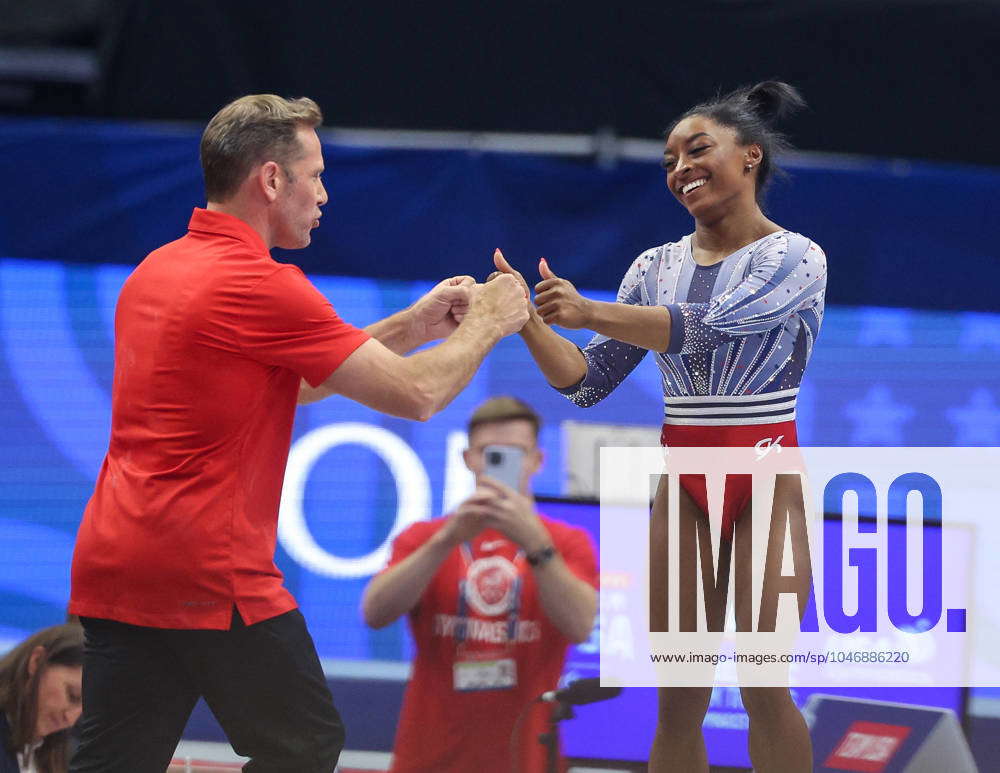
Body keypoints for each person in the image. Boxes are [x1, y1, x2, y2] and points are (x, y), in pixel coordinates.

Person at [67, 94, 529, 773]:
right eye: (314, 173)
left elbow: (294, 376)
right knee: (306, 745)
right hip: (208, 566)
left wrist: (409, 326)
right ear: (271, 180)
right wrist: (491, 320)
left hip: (116, 559)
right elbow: (419, 394)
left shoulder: (155, 270)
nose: (324, 193)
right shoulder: (261, 283)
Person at [493, 82, 826, 773]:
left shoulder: (796, 257)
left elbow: (705, 331)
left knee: (766, 685)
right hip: (684, 491)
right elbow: (586, 382)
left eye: (697, 149)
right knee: (676, 701)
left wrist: (587, 311)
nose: (680, 167)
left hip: (767, 482)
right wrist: (523, 319)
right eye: (670, 158)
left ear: (751, 157)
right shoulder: (655, 267)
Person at [362, 396, 598, 773]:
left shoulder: (566, 542)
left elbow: (580, 625)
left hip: (527, 758)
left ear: (537, 461)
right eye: (491, 453)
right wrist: (445, 540)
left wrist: (537, 546)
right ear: (468, 458)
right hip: (427, 757)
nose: (503, 464)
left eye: (515, 454)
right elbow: (375, 613)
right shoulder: (425, 536)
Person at [0, 623, 84, 773]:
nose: (70, 719)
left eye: (83, 713)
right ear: (37, 661)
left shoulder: (62, 756)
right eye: (72, 695)